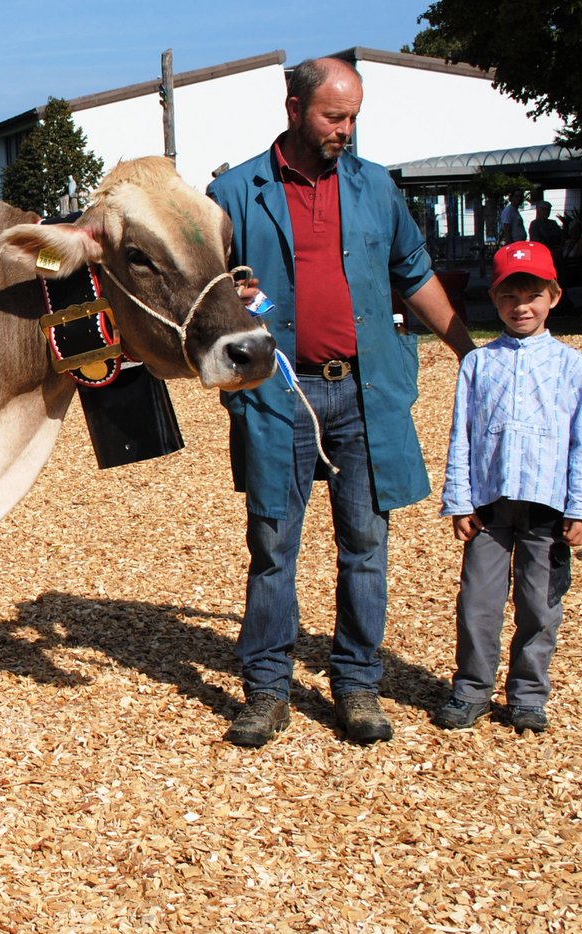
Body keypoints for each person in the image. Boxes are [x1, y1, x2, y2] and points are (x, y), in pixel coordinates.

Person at [207, 57, 476, 747]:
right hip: (277, 395)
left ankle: (357, 684)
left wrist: (469, 352)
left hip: (363, 392)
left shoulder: (374, 186)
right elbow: (201, 288)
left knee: (366, 544)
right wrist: (226, 303)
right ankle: (267, 690)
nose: (346, 130)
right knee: (273, 546)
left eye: (353, 116)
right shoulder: (234, 192)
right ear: (294, 107)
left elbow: (413, 273)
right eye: (334, 116)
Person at [434, 242, 582, 734]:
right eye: (509, 295)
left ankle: (527, 695)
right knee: (478, 603)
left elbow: (580, 440)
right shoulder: (479, 364)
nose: (522, 306)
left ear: (554, 297)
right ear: (494, 300)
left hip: (547, 506)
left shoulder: (571, 366)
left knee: (540, 606)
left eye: (533, 294)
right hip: (490, 508)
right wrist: (458, 499)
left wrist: (578, 505)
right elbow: (463, 434)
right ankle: (471, 690)